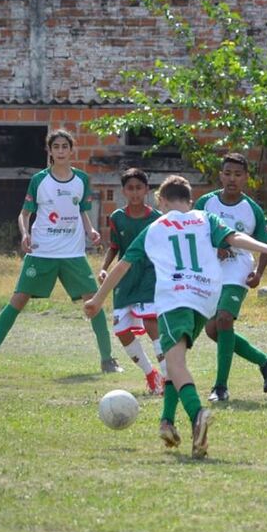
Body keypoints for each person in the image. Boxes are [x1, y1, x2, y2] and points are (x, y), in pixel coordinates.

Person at [83, 175, 267, 459]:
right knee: (174, 363)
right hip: (205, 300)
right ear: (190, 200)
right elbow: (234, 238)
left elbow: (123, 266)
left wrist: (98, 299)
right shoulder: (205, 218)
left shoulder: (155, 227)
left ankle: (196, 415)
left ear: (162, 201)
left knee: (175, 363)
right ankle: (166, 422)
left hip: (175, 298)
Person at [0, 129, 120, 375]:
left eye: (65, 146)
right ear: (50, 151)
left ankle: (108, 360)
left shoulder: (82, 180)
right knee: (18, 300)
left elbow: (81, 211)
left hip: (73, 254)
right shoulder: (40, 180)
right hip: (42, 251)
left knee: (93, 302)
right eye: (57, 147)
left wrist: (91, 231)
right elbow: (24, 214)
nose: (61, 151)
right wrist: (25, 234)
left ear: (71, 150)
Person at [195, 154, 267, 402]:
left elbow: (264, 243)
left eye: (237, 174)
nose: (232, 178)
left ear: (245, 178)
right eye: (227, 173)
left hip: (239, 269)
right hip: (210, 271)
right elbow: (193, 234)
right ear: (220, 175)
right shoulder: (205, 203)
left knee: (224, 319)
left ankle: (220, 388)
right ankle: (265, 362)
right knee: (214, 331)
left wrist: (259, 273)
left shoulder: (251, 208)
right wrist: (214, 245)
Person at [98, 168, 164, 394]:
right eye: (130, 188)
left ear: (147, 189)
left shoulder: (157, 219)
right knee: (122, 330)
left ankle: (168, 379)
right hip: (124, 278)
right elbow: (115, 247)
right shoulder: (117, 218)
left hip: (149, 276)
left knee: (151, 323)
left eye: (139, 188)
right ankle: (151, 373)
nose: (135, 193)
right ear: (124, 191)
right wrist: (104, 268)